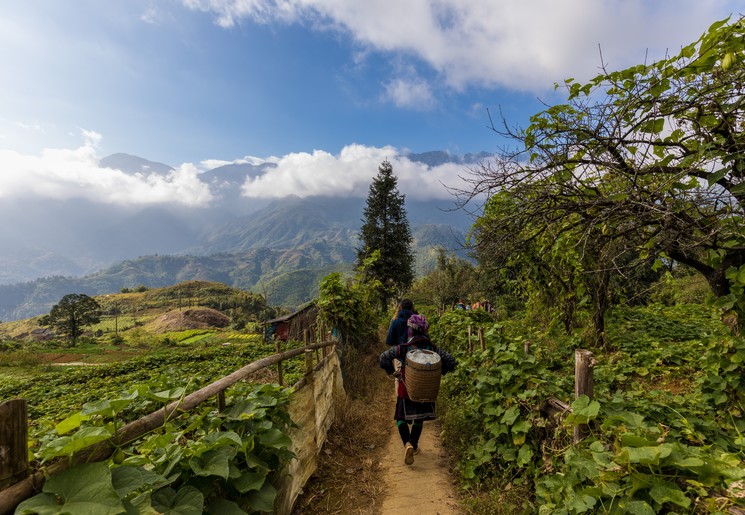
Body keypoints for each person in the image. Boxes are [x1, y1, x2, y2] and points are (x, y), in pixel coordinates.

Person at [379, 314, 457, 465]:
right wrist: (438, 372)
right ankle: (414, 445)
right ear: (425, 330)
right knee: (419, 418)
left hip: (406, 388)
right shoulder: (433, 349)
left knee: (400, 418)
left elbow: (383, 358)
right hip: (426, 389)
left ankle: (407, 444)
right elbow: (451, 362)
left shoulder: (403, 349)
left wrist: (392, 371)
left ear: (410, 330)